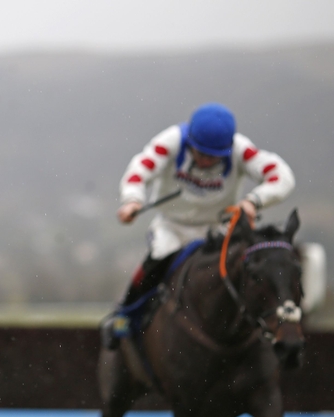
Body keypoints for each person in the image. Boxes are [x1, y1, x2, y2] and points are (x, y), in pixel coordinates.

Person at [101, 103, 295, 350]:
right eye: (200, 153)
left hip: (219, 230)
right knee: (153, 264)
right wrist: (132, 199)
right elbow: (141, 169)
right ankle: (125, 315)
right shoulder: (170, 141)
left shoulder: (241, 150)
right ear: (190, 141)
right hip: (173, 228)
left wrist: (254, 200)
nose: (204, 161)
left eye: (213, 157)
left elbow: (282, 176)